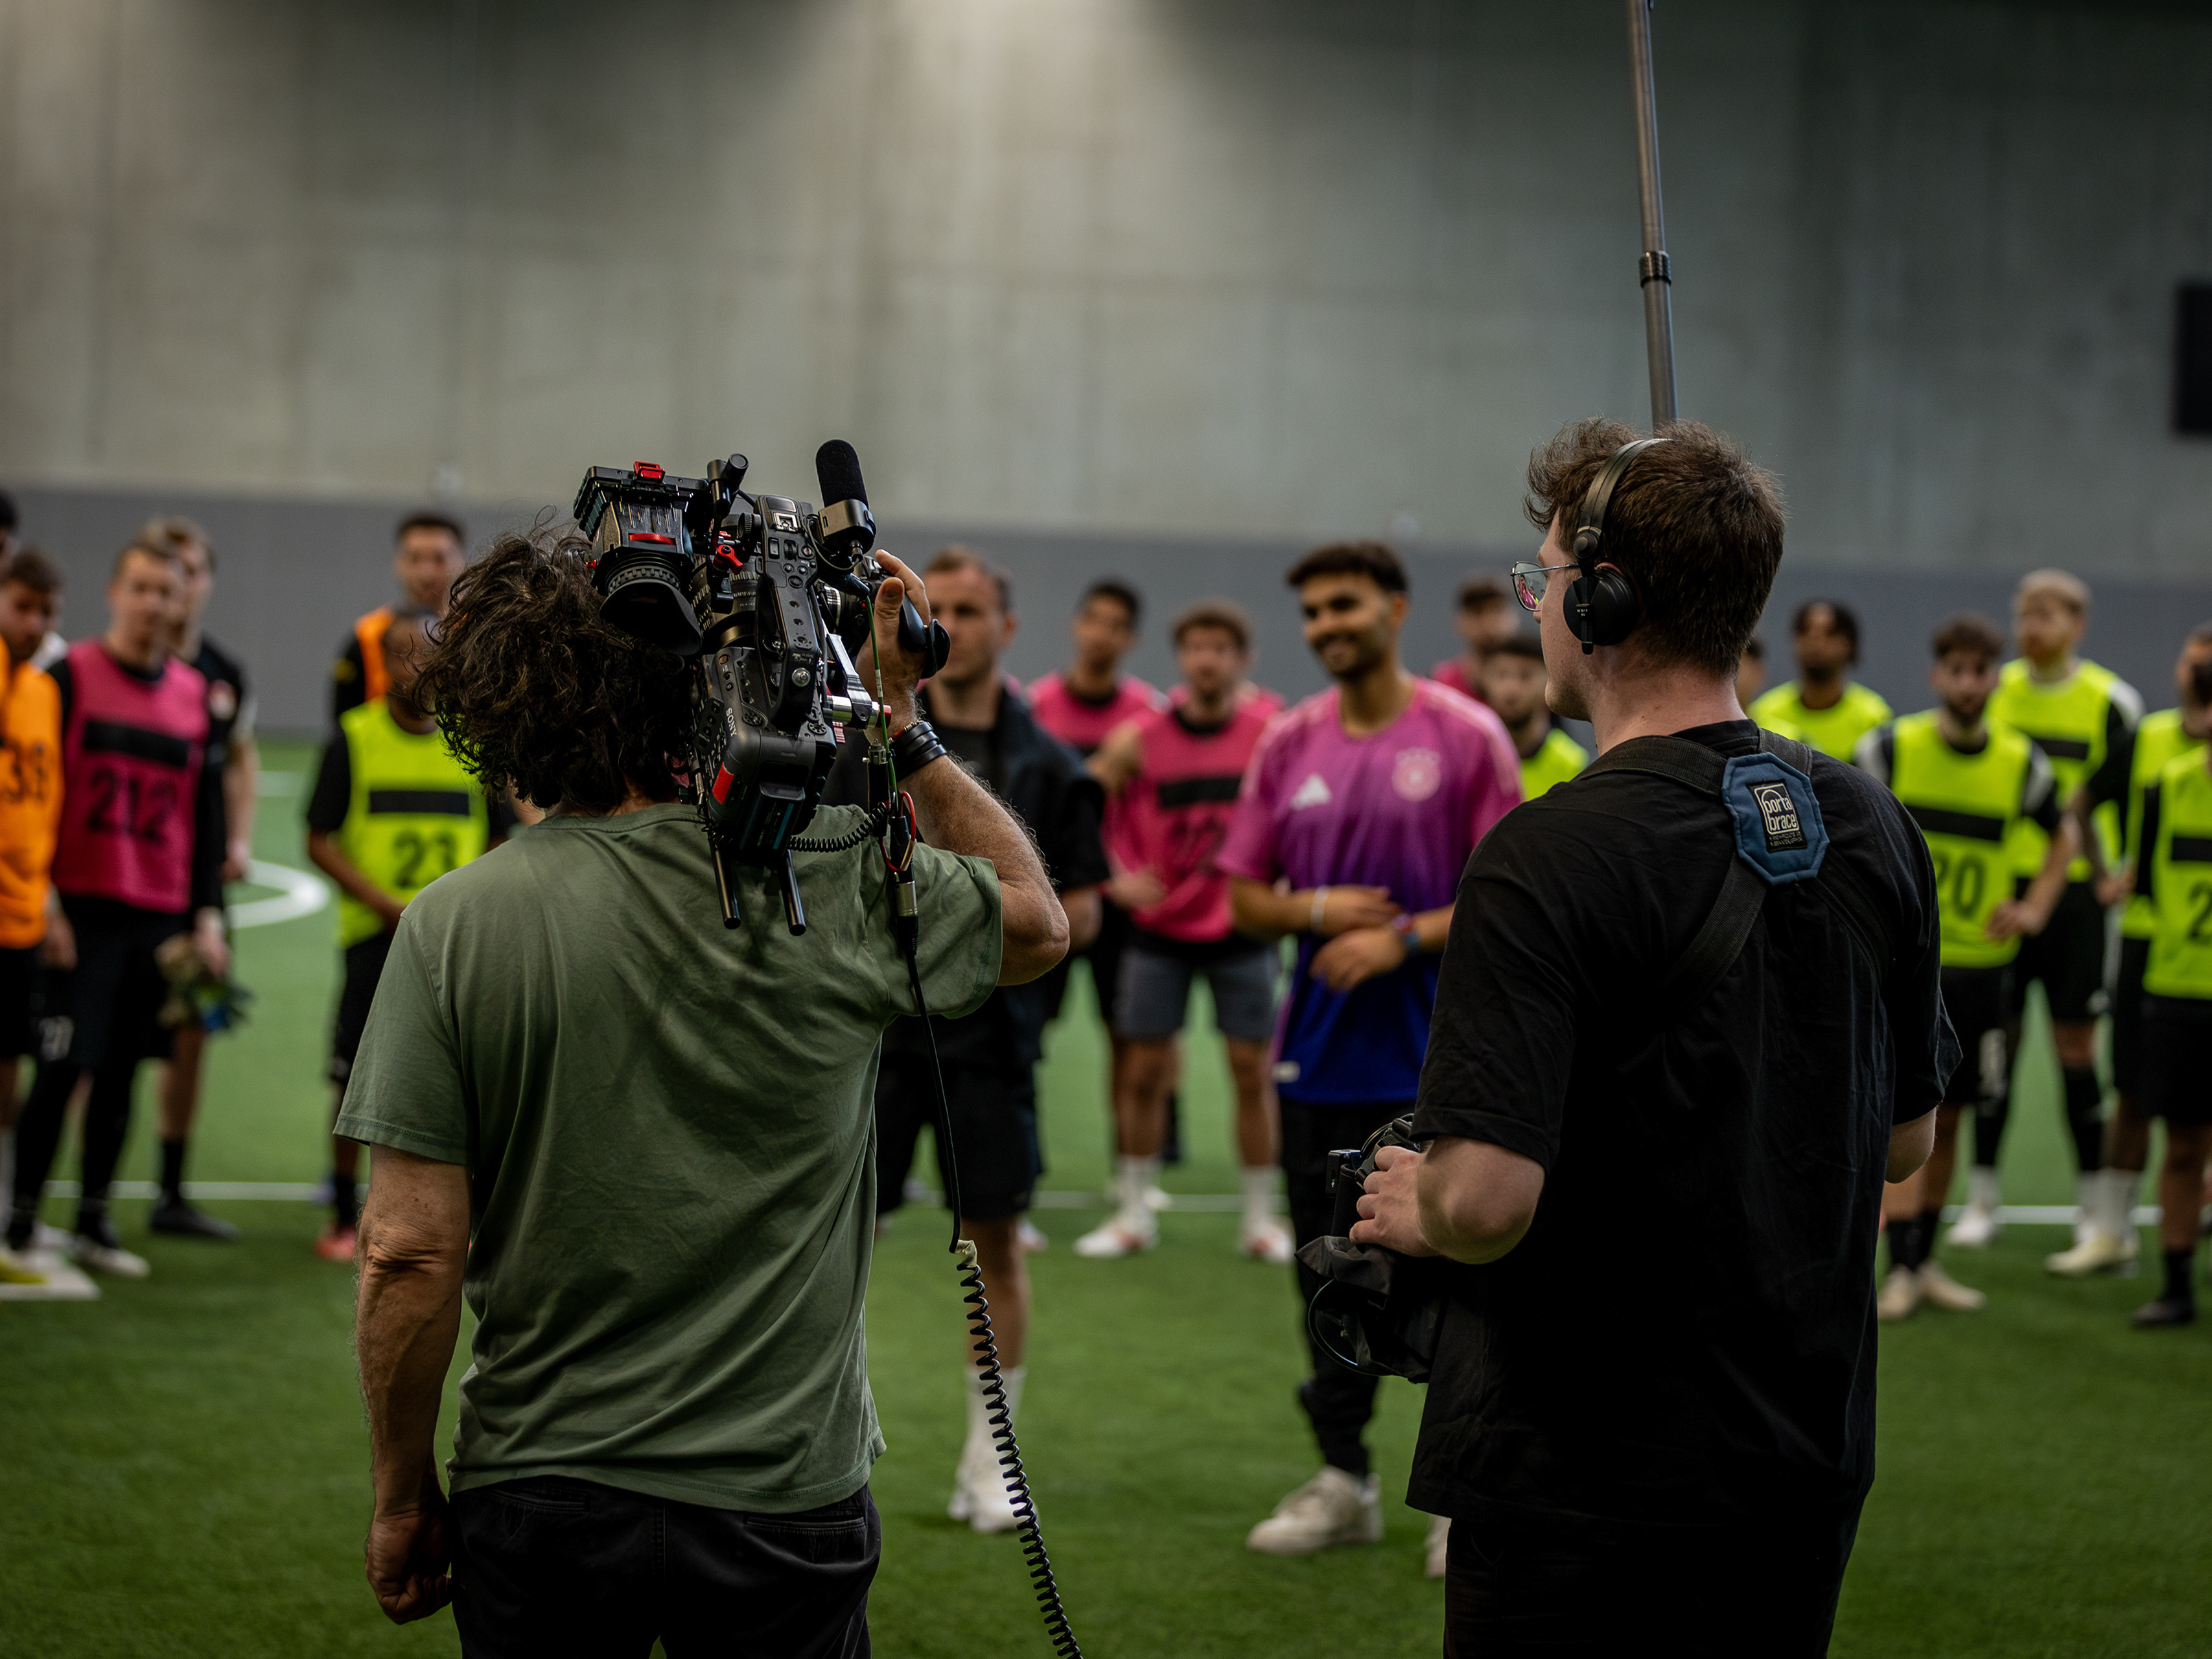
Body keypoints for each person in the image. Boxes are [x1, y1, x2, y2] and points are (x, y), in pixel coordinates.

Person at [340, 530, 1067, 1647]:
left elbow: (407, 1252)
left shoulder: (451, 924)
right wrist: (898, 717)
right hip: (784, 1493)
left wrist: (401, 1492)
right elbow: (1036, 925)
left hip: (539, 1487)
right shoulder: (836, 871)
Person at [1353, 418, 1951, 1653]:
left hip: (1586, 1478)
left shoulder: (1543, 855)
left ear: (1601, 598)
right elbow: (1905, 1143)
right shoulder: (1873, 821)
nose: (1535, 610)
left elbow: (1485, 1205)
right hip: (1802, 1463)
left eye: (1543, 581)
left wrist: (1420, 1206)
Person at [1218, 539, 1520, 1567]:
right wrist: (1312, 910)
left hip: (1442, 1065)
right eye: (1313, 613)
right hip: (1317, 1062)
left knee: (1464, 1282)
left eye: (1344, 605)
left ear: (1394, 609)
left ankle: (1461, 1499)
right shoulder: (1287, 742)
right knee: (1329, 1280)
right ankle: (1343, 1480)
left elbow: (1502, 900)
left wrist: (1398, 938)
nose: (1326, 627)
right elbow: (1242, 898)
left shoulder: (1468, 737)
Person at [825, 546, 1105, 1535]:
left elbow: (1079, 914)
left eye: (970, 610)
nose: (949, 623)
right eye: (931, 605)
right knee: (834, 1237)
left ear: (1005, 627)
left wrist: (978, 931)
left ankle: (992, 1462)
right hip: (874, 1036)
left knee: (994, 1248)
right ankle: (818, 1432)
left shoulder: (1049, 763)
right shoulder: (850, 742)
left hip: (991, 1042)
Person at [5, 539, 227, 1279]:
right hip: (80, 908)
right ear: (113, 592)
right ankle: (22, 1218)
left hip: (156, 911)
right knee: (60, 1066)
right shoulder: (68, 677)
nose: (153, 603)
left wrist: (205, 915)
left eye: (166, 590)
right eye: (140, 587)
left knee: (123, 1072)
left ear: (181, 600)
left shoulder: (194, 693)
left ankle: (94, 1221)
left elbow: (204, 815)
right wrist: (48, 900)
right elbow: (38, 795)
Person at [1855, 614, 2074, 1321]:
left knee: (1947, 1119)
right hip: (1903, 968)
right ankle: (1896, 1266)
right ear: (1936, 675)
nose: (1968, 683)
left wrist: (2035, 907)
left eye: (1980, 671)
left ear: (1994, 679)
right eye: (1956, 669)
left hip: (1980, 972)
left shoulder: (2021, 762)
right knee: (1897, 1114)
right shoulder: (1889, 748)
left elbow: (2063, 835)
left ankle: (1922, 1262)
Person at [1077, 600, 1290, 1263]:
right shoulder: (1139, 737)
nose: (1207, 660)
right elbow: (1080, 799)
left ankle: (1260, 1220)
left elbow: (1299, 807)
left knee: (1250, 1071)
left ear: (1242, 659)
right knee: (1142, 1071)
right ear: (1180, 658)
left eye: (1220, 648)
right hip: (1158, 932)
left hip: (1241, 927)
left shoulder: (1269, 731)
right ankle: (1133, 1213)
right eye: (1195, 647)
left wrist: (1286, 877)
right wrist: (1112, 878)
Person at [304, 610, 509, 1262]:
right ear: (385, 664)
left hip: (454, 943)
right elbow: (318, 839)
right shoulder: (353, 738)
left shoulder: (471, 742)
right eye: (405, 654)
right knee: (352, 1074)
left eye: (430, 655)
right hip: (375, 938)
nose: (419, 667)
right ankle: (342, 1214)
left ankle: (466, 1214)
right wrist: (383, 904)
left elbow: (499, 837)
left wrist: (458, 905)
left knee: (464, 1076)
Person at [1963, 570, 2141, 1249]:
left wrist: (2117, 876)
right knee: (1996, 1046)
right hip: (2003, 892)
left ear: (2077, 624)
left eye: (2045, 614)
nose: (2031, 627)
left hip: (2074, 901)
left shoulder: (2109, 702)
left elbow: (2136, 791)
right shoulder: (1995, 690)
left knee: (2075, 1048)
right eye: (2023, 614)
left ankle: (2095, 1208)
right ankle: (1981, 1200)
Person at [2050, 623, 2212, 1277]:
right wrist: (2104, 876)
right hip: (2150, 943)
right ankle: (2112, 1230)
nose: (2200, 671)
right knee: (2133, 1088)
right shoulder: (2145, 738)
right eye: (2195, 659)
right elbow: (2078, 804)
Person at [129, 518, 257, 1242]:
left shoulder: (224, 673)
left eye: (192, 570)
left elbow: (238, 760)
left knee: (192, 1031)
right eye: (165, 571)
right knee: (100, 1033)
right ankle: (63, 1191)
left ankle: (170, 1191)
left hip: (197, 885)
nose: (179, 586)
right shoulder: (113, 668)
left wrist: (236, 839)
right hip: (127, 876)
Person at [1026, 580, 1165, 1183]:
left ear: (1130, 638)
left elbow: (1153, 814)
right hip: (1048, 894)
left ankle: (1127, 1178)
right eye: (1094, 620)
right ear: (1076, 624)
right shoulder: (1034, 707)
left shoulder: (1149, 715)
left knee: (1129, 1040)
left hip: (1120, 907)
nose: (1102, 634)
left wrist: (1119, 878)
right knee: (1026, 1036)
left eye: (1116, 625)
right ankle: (1019, 1173)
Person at [2124, 675, 2212, 1328]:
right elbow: (2148, 888)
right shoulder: (2168, 788)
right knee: (2181, 1145)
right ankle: (2176, 1285)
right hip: (2177, 994)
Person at [0, 548, 65, 1286]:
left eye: (45, 611)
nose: (34, 623)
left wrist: (48, 901)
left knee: (9, 1065)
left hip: (22, 915)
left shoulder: (43, 691)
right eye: (21, 606)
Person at [331, 511, 468, 725]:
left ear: (463, 562)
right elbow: (344, 725)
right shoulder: (368, 636)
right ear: (397, 564)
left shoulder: (481, 633)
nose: (426, 573)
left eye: (439, 559)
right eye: (414, 559)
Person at [1749, 599, 1892, 760]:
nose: (1815, 642)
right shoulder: (1765, 712)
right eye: (1805, 631)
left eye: (1830, 633)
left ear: (1850, 645)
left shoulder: (1873, 716)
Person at [1478, 634, 1587, 800]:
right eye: (1501, 675)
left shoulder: (1575, 765)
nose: (1511, 688)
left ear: (1549, 682)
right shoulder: (1471, 761)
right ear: (1485, 681)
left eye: (1525, 676)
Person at [1429, 575, 1520, 702]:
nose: (1489, 624)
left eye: (1498, 611)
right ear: (1459, 621)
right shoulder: (1442, 687)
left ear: (1515, 617)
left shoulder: (1542, 684)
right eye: (1478, 612)